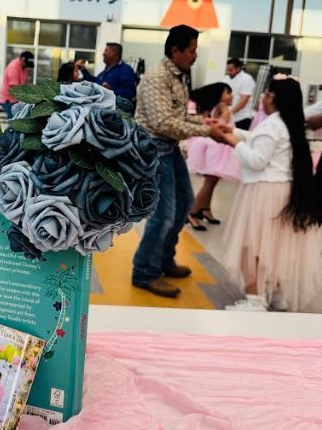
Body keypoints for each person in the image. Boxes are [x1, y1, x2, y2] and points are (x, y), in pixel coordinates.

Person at [131, 25, 227, 298]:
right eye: (192, 50)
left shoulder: (179, 76)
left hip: (170, 149)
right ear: (176, 51)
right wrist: (208, 131)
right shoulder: (157, 78)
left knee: (184, 205)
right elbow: (163, 122)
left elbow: (179, 116)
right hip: (154, 150)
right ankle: (144, 272)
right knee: (163, 215)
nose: (195, 56)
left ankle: (162, 260)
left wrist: (205, 122)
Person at [223, 77, 322, 312]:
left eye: (267, 94)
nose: (264, 98)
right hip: (283, 190)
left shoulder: (272, 125)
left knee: (253, 246)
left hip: (264, 192)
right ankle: (275, 293)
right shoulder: (289, 123)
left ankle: (255, 299)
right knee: (275, 246)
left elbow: (257, 160)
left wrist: (230, 141)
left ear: (275, 99)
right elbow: (262, 142)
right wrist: (234, 131)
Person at [186, 82, 240, 230]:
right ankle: (193, 211)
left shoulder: (218, 107)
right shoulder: (223, 108)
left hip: (219, 148)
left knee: (213, 181)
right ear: (220, 95)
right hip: (219, 149)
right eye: (228, 93)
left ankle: (206, 209)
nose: (231, 96)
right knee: (210, 182)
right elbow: (222, 125)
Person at [0, 51, 34, 118]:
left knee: (20, 119)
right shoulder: (13, 67)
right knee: (13, 121)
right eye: (25, 64)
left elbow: (23, 84)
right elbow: (14, 87)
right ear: (21, 59)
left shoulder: (23, 67)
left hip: (15, 99)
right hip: (8, 99)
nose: (26, 66)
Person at [223, 58, 256, 130]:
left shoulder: (247, 79)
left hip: (242, 118)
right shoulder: (225, 79)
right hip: (228, 116)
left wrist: (230, 112)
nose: (228, 72)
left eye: (231, 70)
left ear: (238, 68)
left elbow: (244, 100)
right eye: (227, 69)